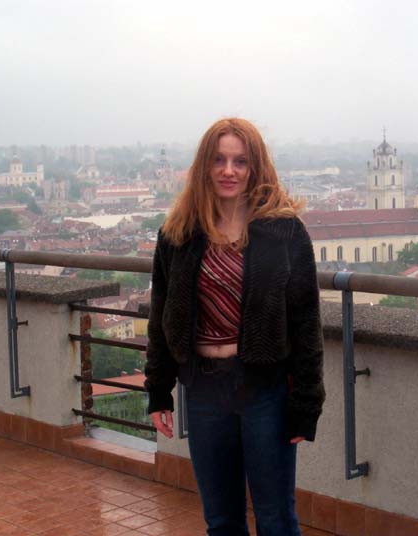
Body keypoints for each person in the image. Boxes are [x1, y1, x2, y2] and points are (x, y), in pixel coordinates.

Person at [144, 117, 325, 536]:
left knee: (276, 519)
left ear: (255, 167)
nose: (229, 171)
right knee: (221, 521)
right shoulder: (178, 234)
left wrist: (306, 405)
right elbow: (162, 316)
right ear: (205, 166)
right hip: (204, 392)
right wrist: (158, 390)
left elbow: (305, 323)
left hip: (265, 392)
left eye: (240, 161)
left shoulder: (284, 233)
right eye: (220, 160)